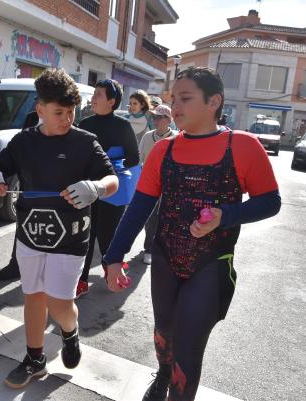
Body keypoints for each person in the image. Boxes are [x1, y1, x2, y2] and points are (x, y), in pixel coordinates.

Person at [103, 67, 281, 401]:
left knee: (188, 346)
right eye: (173, 99)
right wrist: (113, 257)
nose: (175, 106)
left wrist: (225, 216)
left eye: (185, 98)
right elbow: (139, 208)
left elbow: (270, 202)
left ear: (214, 102)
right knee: (163, 334)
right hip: (167, 259)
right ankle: (162, 377)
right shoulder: (163, 150)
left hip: (211, 265)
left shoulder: (242, 146)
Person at [0, 68, 118, 389]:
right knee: (33, 297)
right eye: (59, 113)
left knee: (59, 303)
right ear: (40, 109)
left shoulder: (85, 142)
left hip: (70, 238)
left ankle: (70, 332)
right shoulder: (23, 141)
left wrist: (95, 187)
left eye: (71, 112)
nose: (67, 118)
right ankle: (34, 358)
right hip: (29, 235)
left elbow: (111, 180)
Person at [74, 79, 139, 298]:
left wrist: (111, 163)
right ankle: (81, 279)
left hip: (113, 189)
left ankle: (110, 266)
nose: (93, 98)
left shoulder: (123, 126)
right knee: (86, 235)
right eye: (94, 94)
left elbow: (134, 158)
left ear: (112, 102)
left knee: (108, 235)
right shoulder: (84, 124)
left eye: (99, 94)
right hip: (88, 189)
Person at [0, 110, 40, 281]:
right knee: (22, 227)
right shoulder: (31, 117)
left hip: (52, 193)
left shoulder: (66, 120)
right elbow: (21, 147)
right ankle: (16, 264)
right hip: (28, 185)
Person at [138, 104, 177, 265]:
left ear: (169, 120)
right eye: (154, 117)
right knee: (151, 218)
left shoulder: (177, 137)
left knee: (167, 217)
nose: (155, 120)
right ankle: (148, 248)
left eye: (159, 117)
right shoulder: (147, 136)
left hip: (170, 185)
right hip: (150, 184)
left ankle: (162, 246)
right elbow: (140, 158)